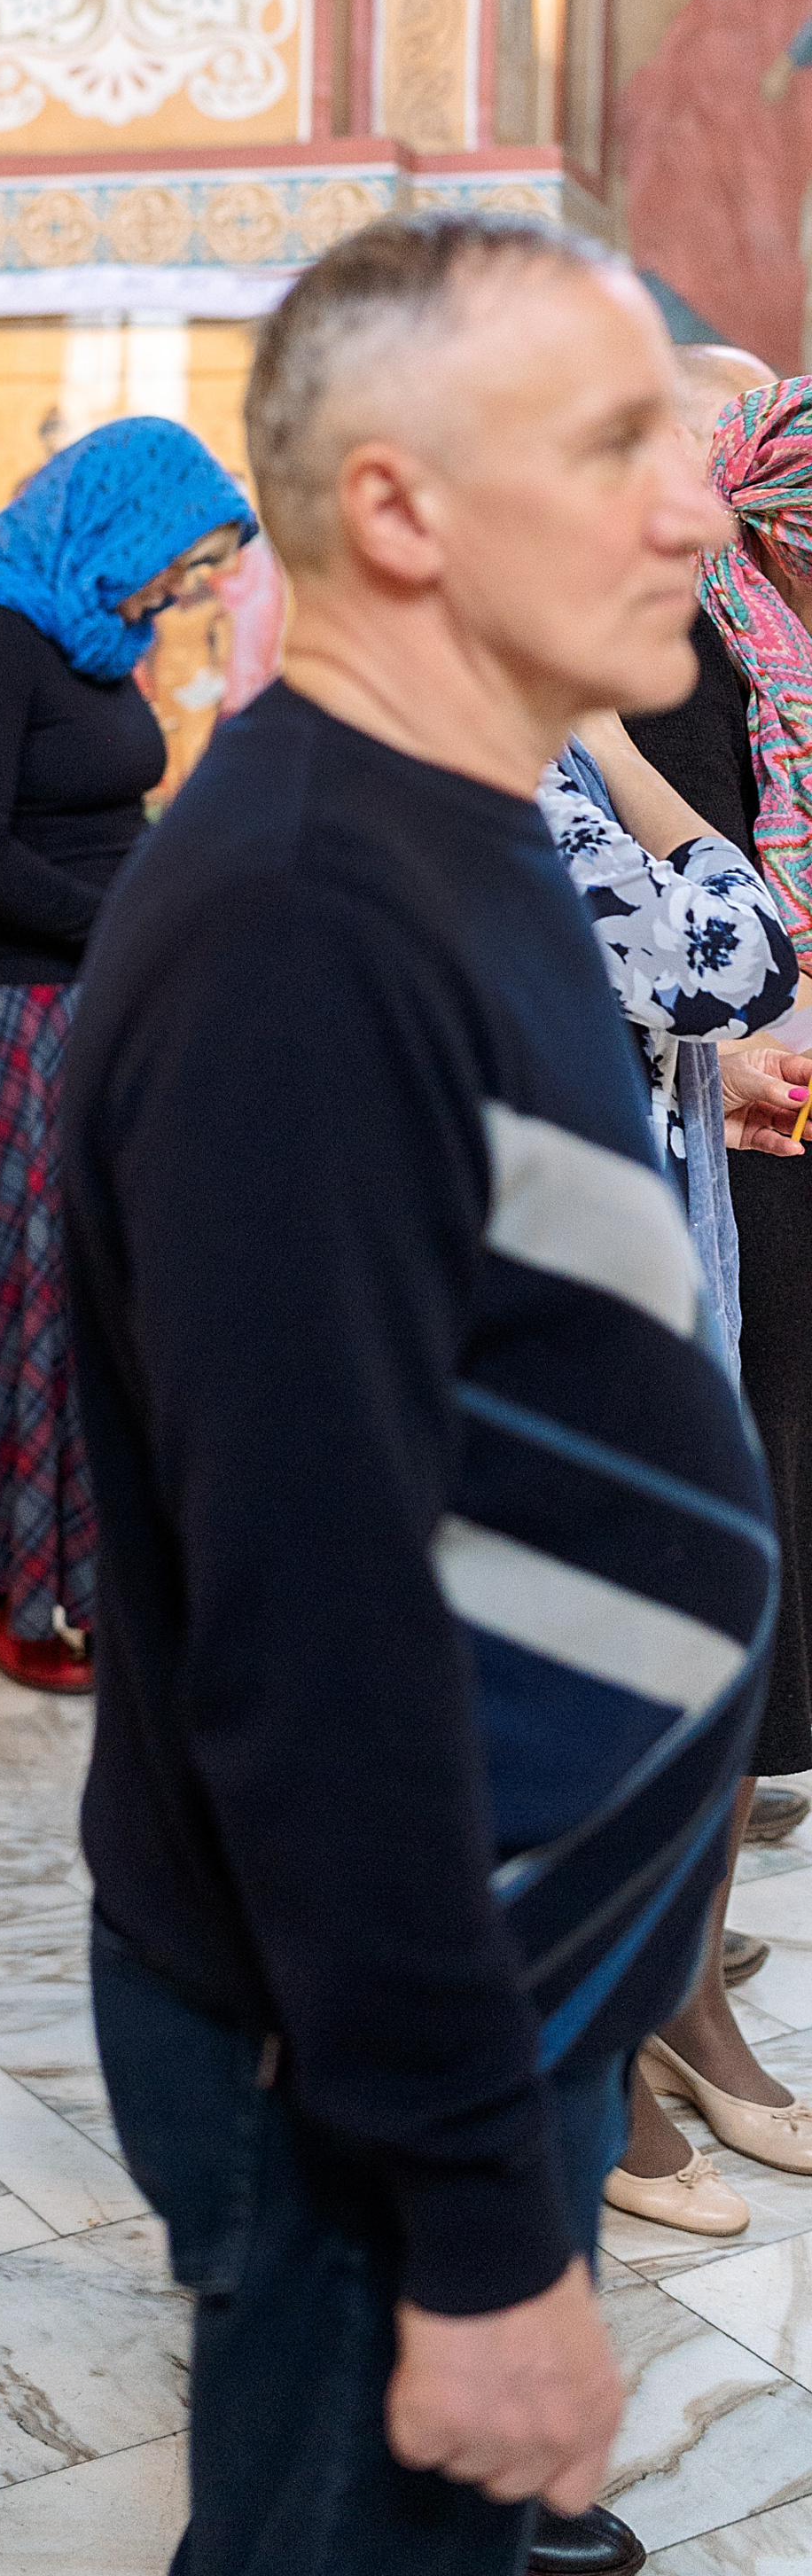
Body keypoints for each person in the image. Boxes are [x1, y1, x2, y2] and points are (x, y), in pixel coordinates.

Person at [64, 214, 775, 2576]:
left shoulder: (441, 832)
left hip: (492, 1970)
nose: (693, 501)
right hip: (366, 2037)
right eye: (616, 442)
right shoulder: (301, 922)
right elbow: (321, 1641)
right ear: (396, 510)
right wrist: (479, 2234)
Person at [0, 415, 252, 1689]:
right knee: (32, 1301)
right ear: (121, 526)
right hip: (18, 1012)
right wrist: (141, 921)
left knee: (105, 1299)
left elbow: (112, 819)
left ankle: (90, 1574)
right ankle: (10, 1590)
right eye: (181, 562)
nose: (184, 592)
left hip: (103, 995)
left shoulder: (103, 641)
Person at [536, 712, 803, 2242]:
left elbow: (650, 997)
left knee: (684, 1668)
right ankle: (593, 2045)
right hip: (563, 1289)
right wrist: (613, 741)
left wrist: (713, 1070)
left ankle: (670, 2010)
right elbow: (740, 947)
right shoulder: (524, 765)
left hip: (650, 1243)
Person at [625, 367, 812, 2188]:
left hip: (757, 1141)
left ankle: (678, 1962)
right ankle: (654, 1992)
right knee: (702, 1566)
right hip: (704, 1151)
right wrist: (744, 1032)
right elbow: (701, 937)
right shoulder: (667, 640)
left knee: (755, 1566)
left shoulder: (760, 630)